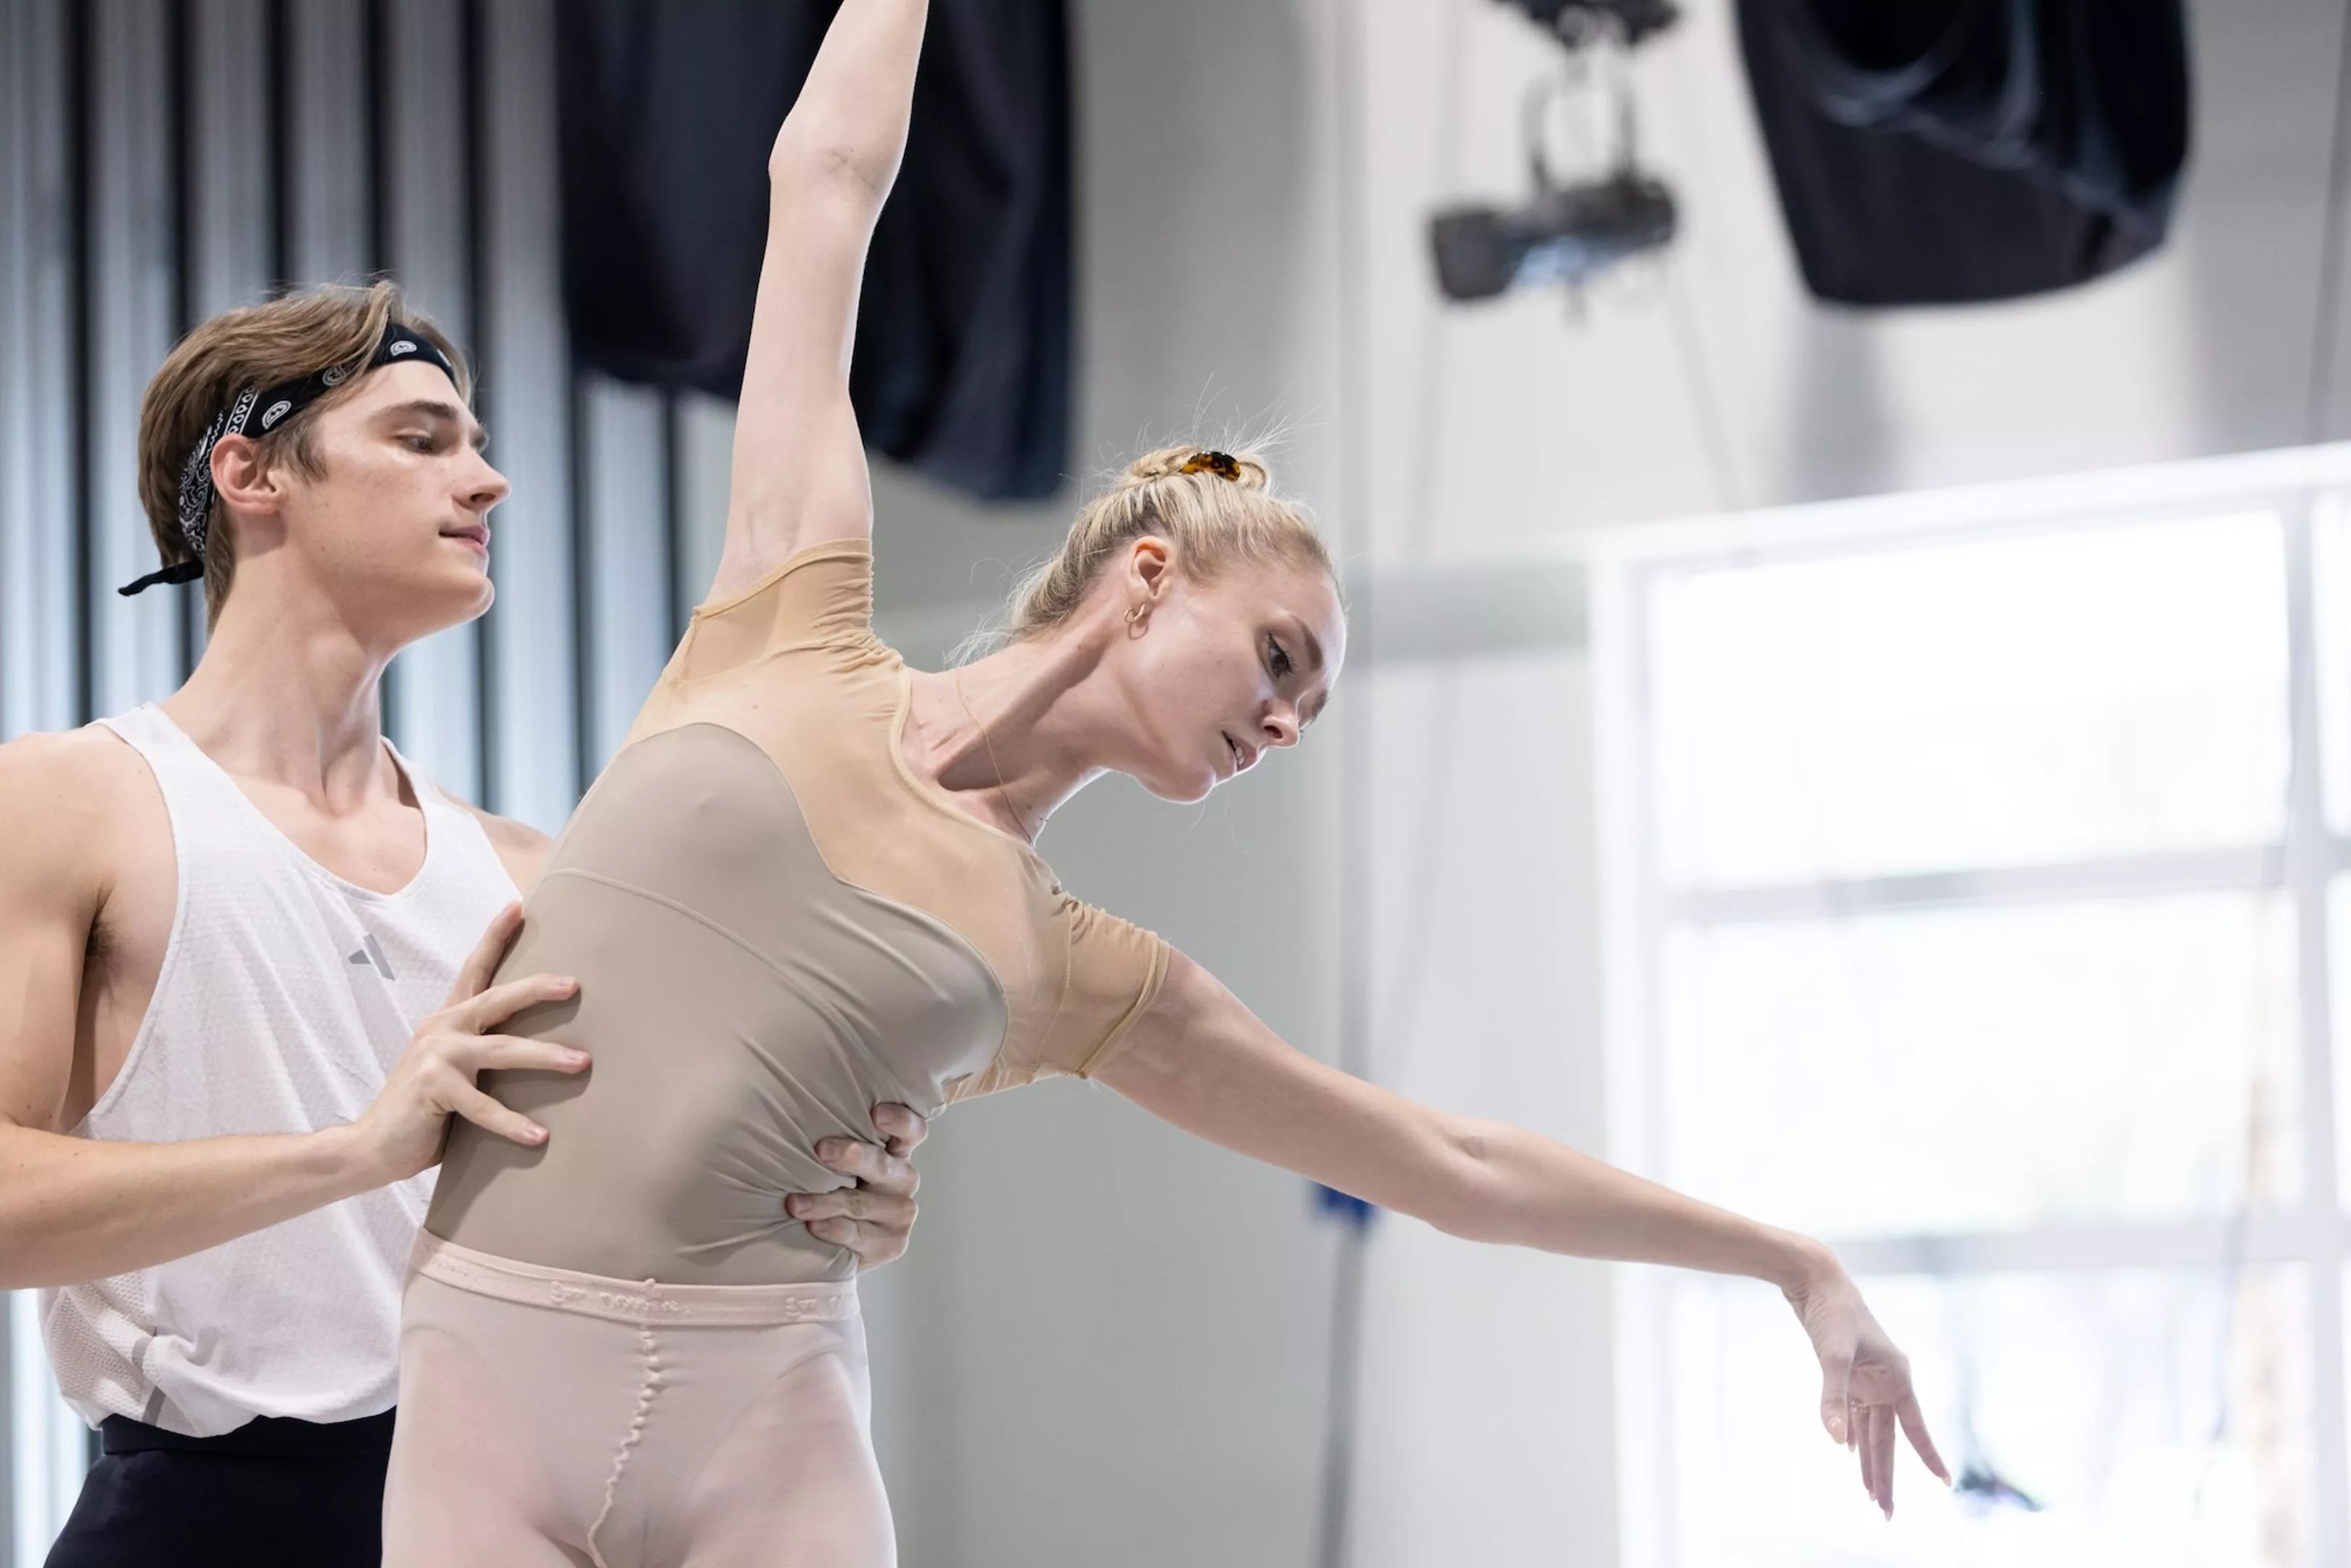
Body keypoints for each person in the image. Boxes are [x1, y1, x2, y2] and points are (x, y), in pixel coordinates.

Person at [381, 1, 1951, 1563]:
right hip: (487, 1400)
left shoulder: (1079, 971)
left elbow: (1449, 1165)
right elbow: (828, 179)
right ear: (1147, 578)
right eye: (1278, 660)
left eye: (1308, 713)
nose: (1283, 724)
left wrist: (1788, 1264)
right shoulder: (787, 608)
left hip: (766, 1424)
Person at [0, 281, 929, 1568]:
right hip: (203, 1517)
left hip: (493, 1511)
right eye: (425, 439)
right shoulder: (71, 803)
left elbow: (638, 1221)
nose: (487, 482)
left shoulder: (521, 875)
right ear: (252, 470)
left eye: (481, 444)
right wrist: (354, 1151)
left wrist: (821, 1213)